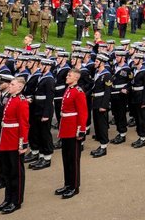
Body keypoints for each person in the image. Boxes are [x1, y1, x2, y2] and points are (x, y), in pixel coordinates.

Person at [0, 75, 29, 215]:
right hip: (6, 139)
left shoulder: (21, 101)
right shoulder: (11, 98)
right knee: (7, 172)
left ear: (20, 87)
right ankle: (7, 198)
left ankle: (16, 200)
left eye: (13, 84)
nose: (10, 85)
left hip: (14, 141)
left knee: (16, 173)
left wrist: (22, 144)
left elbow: (24, 124)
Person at [56, 69, 87, 199]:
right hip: (66, 128)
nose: (67, 77)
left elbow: (83, 113)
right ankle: (67, 184)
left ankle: (74, 186)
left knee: (73, 160)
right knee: (66, 159)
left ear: (76, 78)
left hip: (74, 129)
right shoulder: (69, 89)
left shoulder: (78, 92)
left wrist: (81, 130)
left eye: (69, 75)